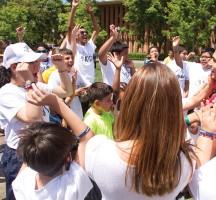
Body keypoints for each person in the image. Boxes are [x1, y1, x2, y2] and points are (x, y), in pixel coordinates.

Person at [28, 61, 196, 199]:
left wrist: (57, 103)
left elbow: (86, 137)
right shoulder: (186, 161)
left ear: (131, 102)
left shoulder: (102, 151)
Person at [0, 42, 72, 200]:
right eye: (32, 63)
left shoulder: (35, 85)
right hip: (20, 156)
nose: (38, 66)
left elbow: (66, 91)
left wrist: (61, 68)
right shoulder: (6, 92)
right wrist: (29, 84)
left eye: (38, 61)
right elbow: (33, 118)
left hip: (40, 150)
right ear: (14, 67)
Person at [12, 122, 93, 199]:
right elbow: (87, 135)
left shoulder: (21, 181)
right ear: (68, 158)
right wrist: (57, 106)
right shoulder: (71, 185)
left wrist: (30, 139)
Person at [67, 0, 100, 86]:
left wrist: (92, 14)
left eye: (86, 32)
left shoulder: (90, 45)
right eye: (82, 32)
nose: (85, 34)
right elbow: (69, 28)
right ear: (76, 36)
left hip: (91, 83)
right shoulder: (74, 45)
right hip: (78, 83)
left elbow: (96, 30)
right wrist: (73, 8)